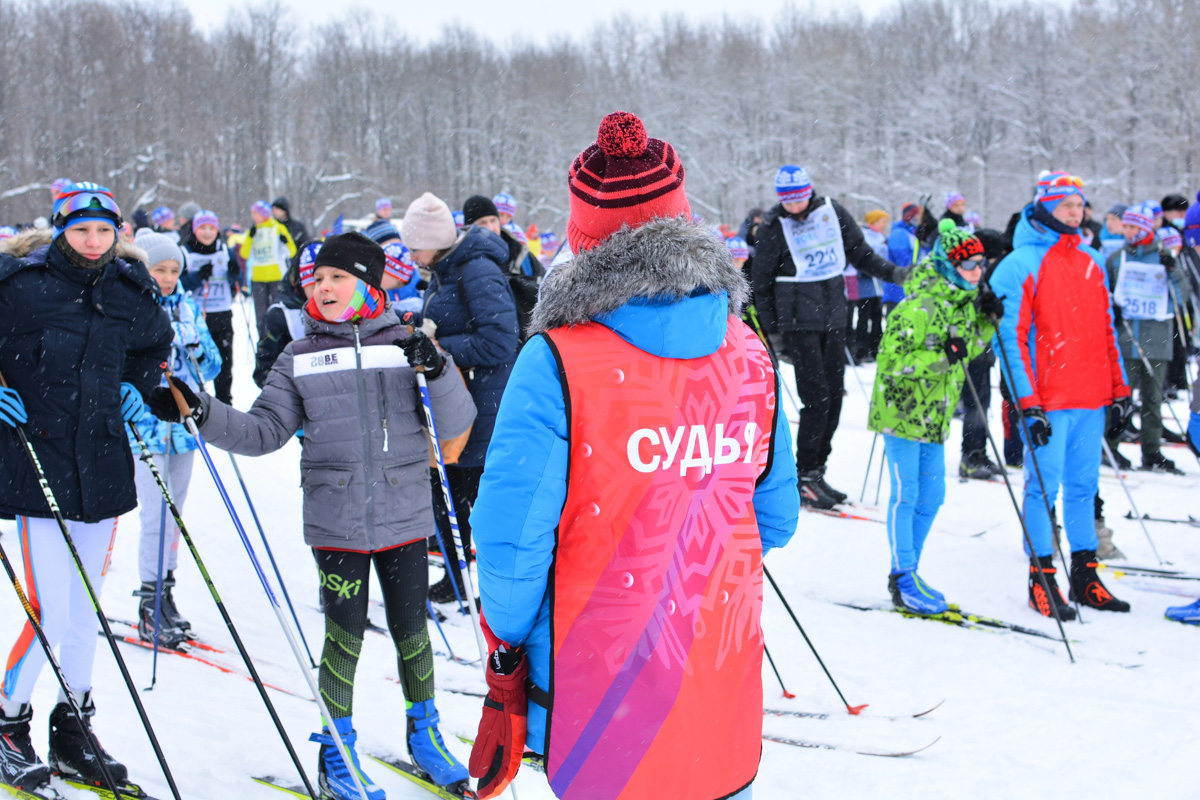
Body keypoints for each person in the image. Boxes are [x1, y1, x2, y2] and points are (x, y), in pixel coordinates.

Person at [467, 110, 799, 800]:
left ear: (583, 242)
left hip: (599, 672)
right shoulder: (745, 348)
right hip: (716, 656)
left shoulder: (558, 357)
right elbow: (777, 513)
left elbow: (512, 539)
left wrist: (510, 635)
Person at [145, 232, 477, 799]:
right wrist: (201, 410)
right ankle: (336, 752)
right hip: (336, 516)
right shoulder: (299, 356)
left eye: (337, 278)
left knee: (412, 633)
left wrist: (439, 369)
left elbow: (456, 423)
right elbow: (263, 432)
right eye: (317, 279)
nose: (322, 287)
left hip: (404, 513)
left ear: (368, 285)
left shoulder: (407, 343)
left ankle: (425, 736)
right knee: (342, 637)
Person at [0, 183, 173, 793]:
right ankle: (6, 725)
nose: (94, 242)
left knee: (83, 613)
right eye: (81, 231)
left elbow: (155, 346)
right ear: (60, 230)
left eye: (104, 231)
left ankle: (72, 727)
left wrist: (140, 382)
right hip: (33, 467)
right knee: (49, 610)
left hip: (100, 466)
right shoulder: (18, 285)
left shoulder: (130, 287)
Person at [989, 172, 1132, 618]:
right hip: (1048, 401)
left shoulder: (1091, 261)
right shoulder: (1019, 263)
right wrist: (1027, 402)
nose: (1076, 211)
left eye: (1079, 204)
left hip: (1090, 397)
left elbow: (1108, 332)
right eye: (1066, 204)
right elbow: (1009, 338)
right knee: (1042, 489)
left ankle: (1086, 575)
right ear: (1045, 206)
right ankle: (1042, 577)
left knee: (1084, 489)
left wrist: (1120, 389)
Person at [752, 164, 909, 509]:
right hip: (797, 322)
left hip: (834, 316)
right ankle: (804, 473)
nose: (795, 207)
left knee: (835, 398)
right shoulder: (773, 226)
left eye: (800, 199)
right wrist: (772, 333)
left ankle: (816, 469)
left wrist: (894, 273)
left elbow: (860, 252)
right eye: (788, 202)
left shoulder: (831, 212)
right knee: (817, 399)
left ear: (810, 192)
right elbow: (760, 282)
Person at [869, 220, 999, 614]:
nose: (978, 272)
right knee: (906, 494)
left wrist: (986, 322)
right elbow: (893, 362)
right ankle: (901, 574)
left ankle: (912, 568)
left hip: (935, 413)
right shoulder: (919, 304)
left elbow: (969, 348)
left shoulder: (961, 299)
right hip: (902, 412)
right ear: (947, 265)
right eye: (970, 265)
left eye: (981, 264)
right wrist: (945, 355)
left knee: (932, 496)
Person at [402, 192, 518, 603]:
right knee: (445, 497)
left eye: (416, 246)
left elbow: (500, 342)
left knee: (472, 504)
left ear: (435, 241)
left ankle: (491, 588)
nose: (412, 255)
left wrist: (439, 346)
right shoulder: (445, 269)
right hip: (459, 402)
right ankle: (455, 580)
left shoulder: (476, 269)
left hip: (483, 408)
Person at [127, 230, 221, 646]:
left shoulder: (186, 306)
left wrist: (194, 341)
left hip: (182, 429)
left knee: (174, 517)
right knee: (156, 517)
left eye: (173, 270)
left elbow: (213, 365)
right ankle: (149, 604)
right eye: (159, 269)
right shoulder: (130, 306)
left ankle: (166, 595)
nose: (167, 277)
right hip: (146, 427)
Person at [1104, 202, 1191, 474]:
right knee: (1122, 396)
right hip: (1125, 338)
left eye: (1133, 227)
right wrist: (1112, 309)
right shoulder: (1117, 258)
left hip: (1157, 338)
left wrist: (1173, 269)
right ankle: (1111, 445)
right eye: (1126, 227)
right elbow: (1104, 292)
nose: (1128, 232)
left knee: (1153, 398)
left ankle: (1151, 451)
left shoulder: (1163, 256)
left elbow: (1182, 296)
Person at [180, 210, 240, 405]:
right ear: (195, 230)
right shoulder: (185, 252)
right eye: (202, 228)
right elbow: (179, 284)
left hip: (222, 313)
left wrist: (234, 273)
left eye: (211, 228)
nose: (207, 233)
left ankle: (225, 401)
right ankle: (196, 400)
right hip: (196, 316)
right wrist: (197, 277)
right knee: (198, 359)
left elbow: (235, 281)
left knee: (224, 361)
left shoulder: (224, 249)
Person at [254, 241, 320, 386]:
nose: (322, 290)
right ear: (300, 282)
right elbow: (264, 371)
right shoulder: (280, 315)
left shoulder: (345, 312)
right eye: (315, 282)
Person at [241, 200, 298, 339]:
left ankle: (278, 340)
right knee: (260, 314)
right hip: (258, 278)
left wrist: (286, 241)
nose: (253, 216)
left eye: (255, 213)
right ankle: (263, 341)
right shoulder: (253, 230)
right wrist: (249, 237)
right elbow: (244, 254)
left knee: (277, 311)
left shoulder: (278, 228)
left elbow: (292, 251)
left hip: (276, 276)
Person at [852, 210, 889, 361]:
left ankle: (876, 349)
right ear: (873, 221)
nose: (885, 224)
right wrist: (864, 271)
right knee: (863, 318)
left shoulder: (882, 238)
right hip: (865, 285)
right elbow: (858, 256)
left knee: (877, 318)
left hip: (879, 285)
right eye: (882, 221)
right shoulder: (864, 235)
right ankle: (861, 351)